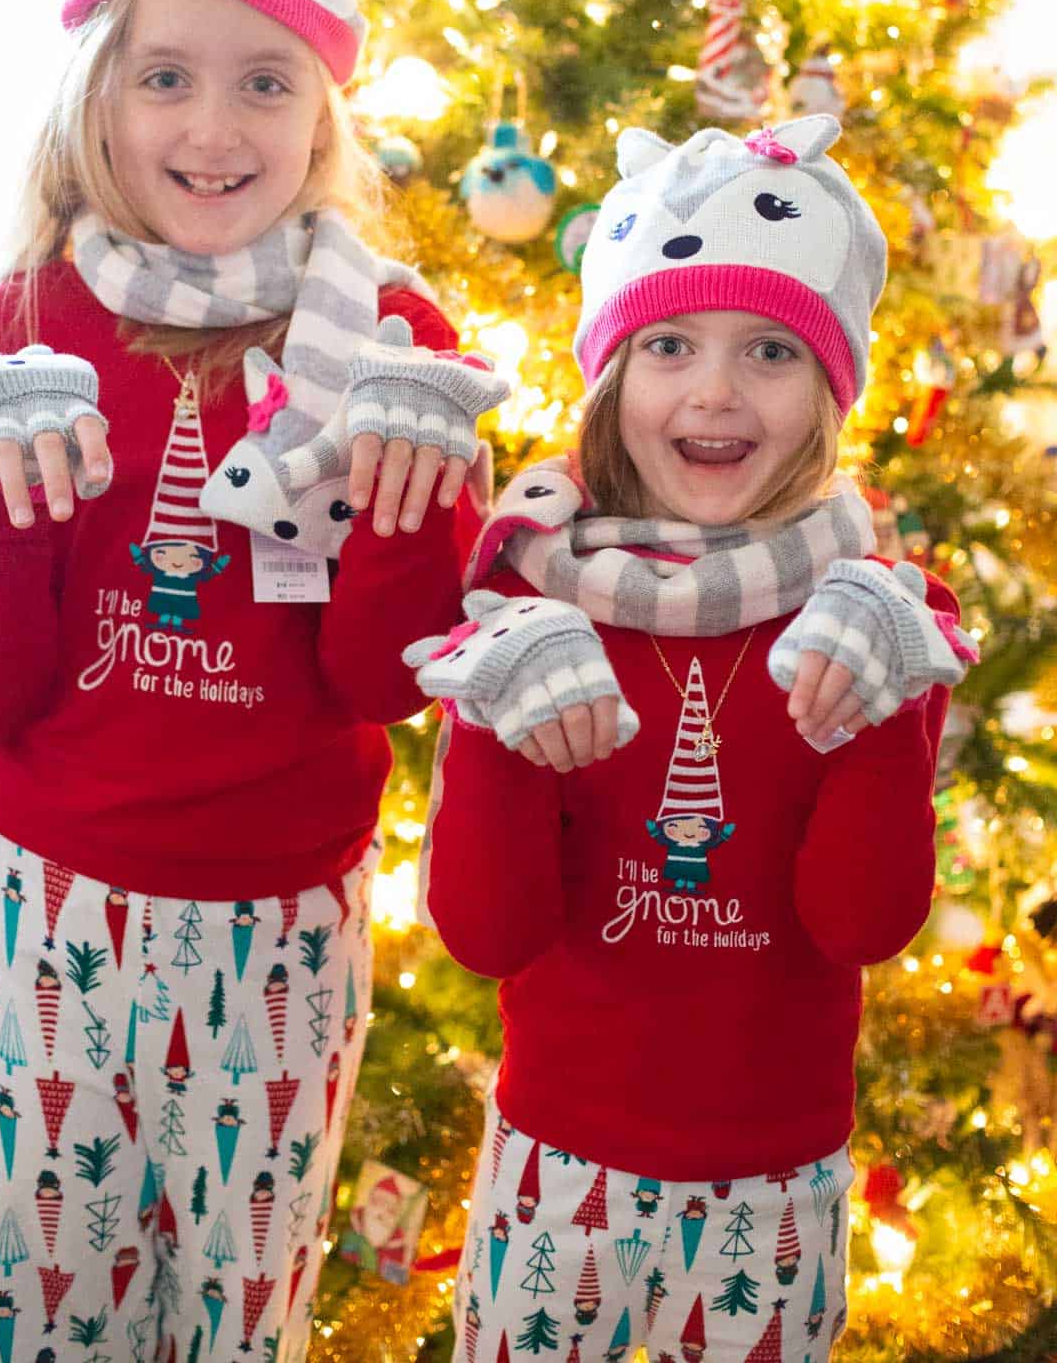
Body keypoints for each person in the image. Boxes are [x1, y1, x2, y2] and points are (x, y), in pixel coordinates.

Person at [0, 0, 498, 1362]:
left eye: (265, 83)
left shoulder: (396, 348)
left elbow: (386, 681)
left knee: (243, 1320)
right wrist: (3, 487)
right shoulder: (12, 328)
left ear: (326, 110)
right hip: (46, 904)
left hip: (278, 922)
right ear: (98, 89)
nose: (213, 132)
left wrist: (396, 484)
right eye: (165, 78)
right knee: (55, 1318)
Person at [403, 115, 979, 1360]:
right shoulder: (529, 601)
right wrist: (508, 702)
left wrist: (883, 697)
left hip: (777, 1189)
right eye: (669, 345)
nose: (715, 390)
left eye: (770, 349)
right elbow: (485, 932)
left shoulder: (873, 619)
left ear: (828, 390)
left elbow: (862, 922)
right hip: (557, 1173)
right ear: (615, 381)